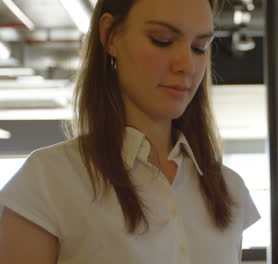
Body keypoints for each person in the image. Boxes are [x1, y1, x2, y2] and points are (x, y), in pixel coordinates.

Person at [0, 0, 260, 263]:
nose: (187, 66)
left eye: (199, 47)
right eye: (162, 40)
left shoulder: (229, 189)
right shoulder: (49, 180)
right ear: (111, 36)